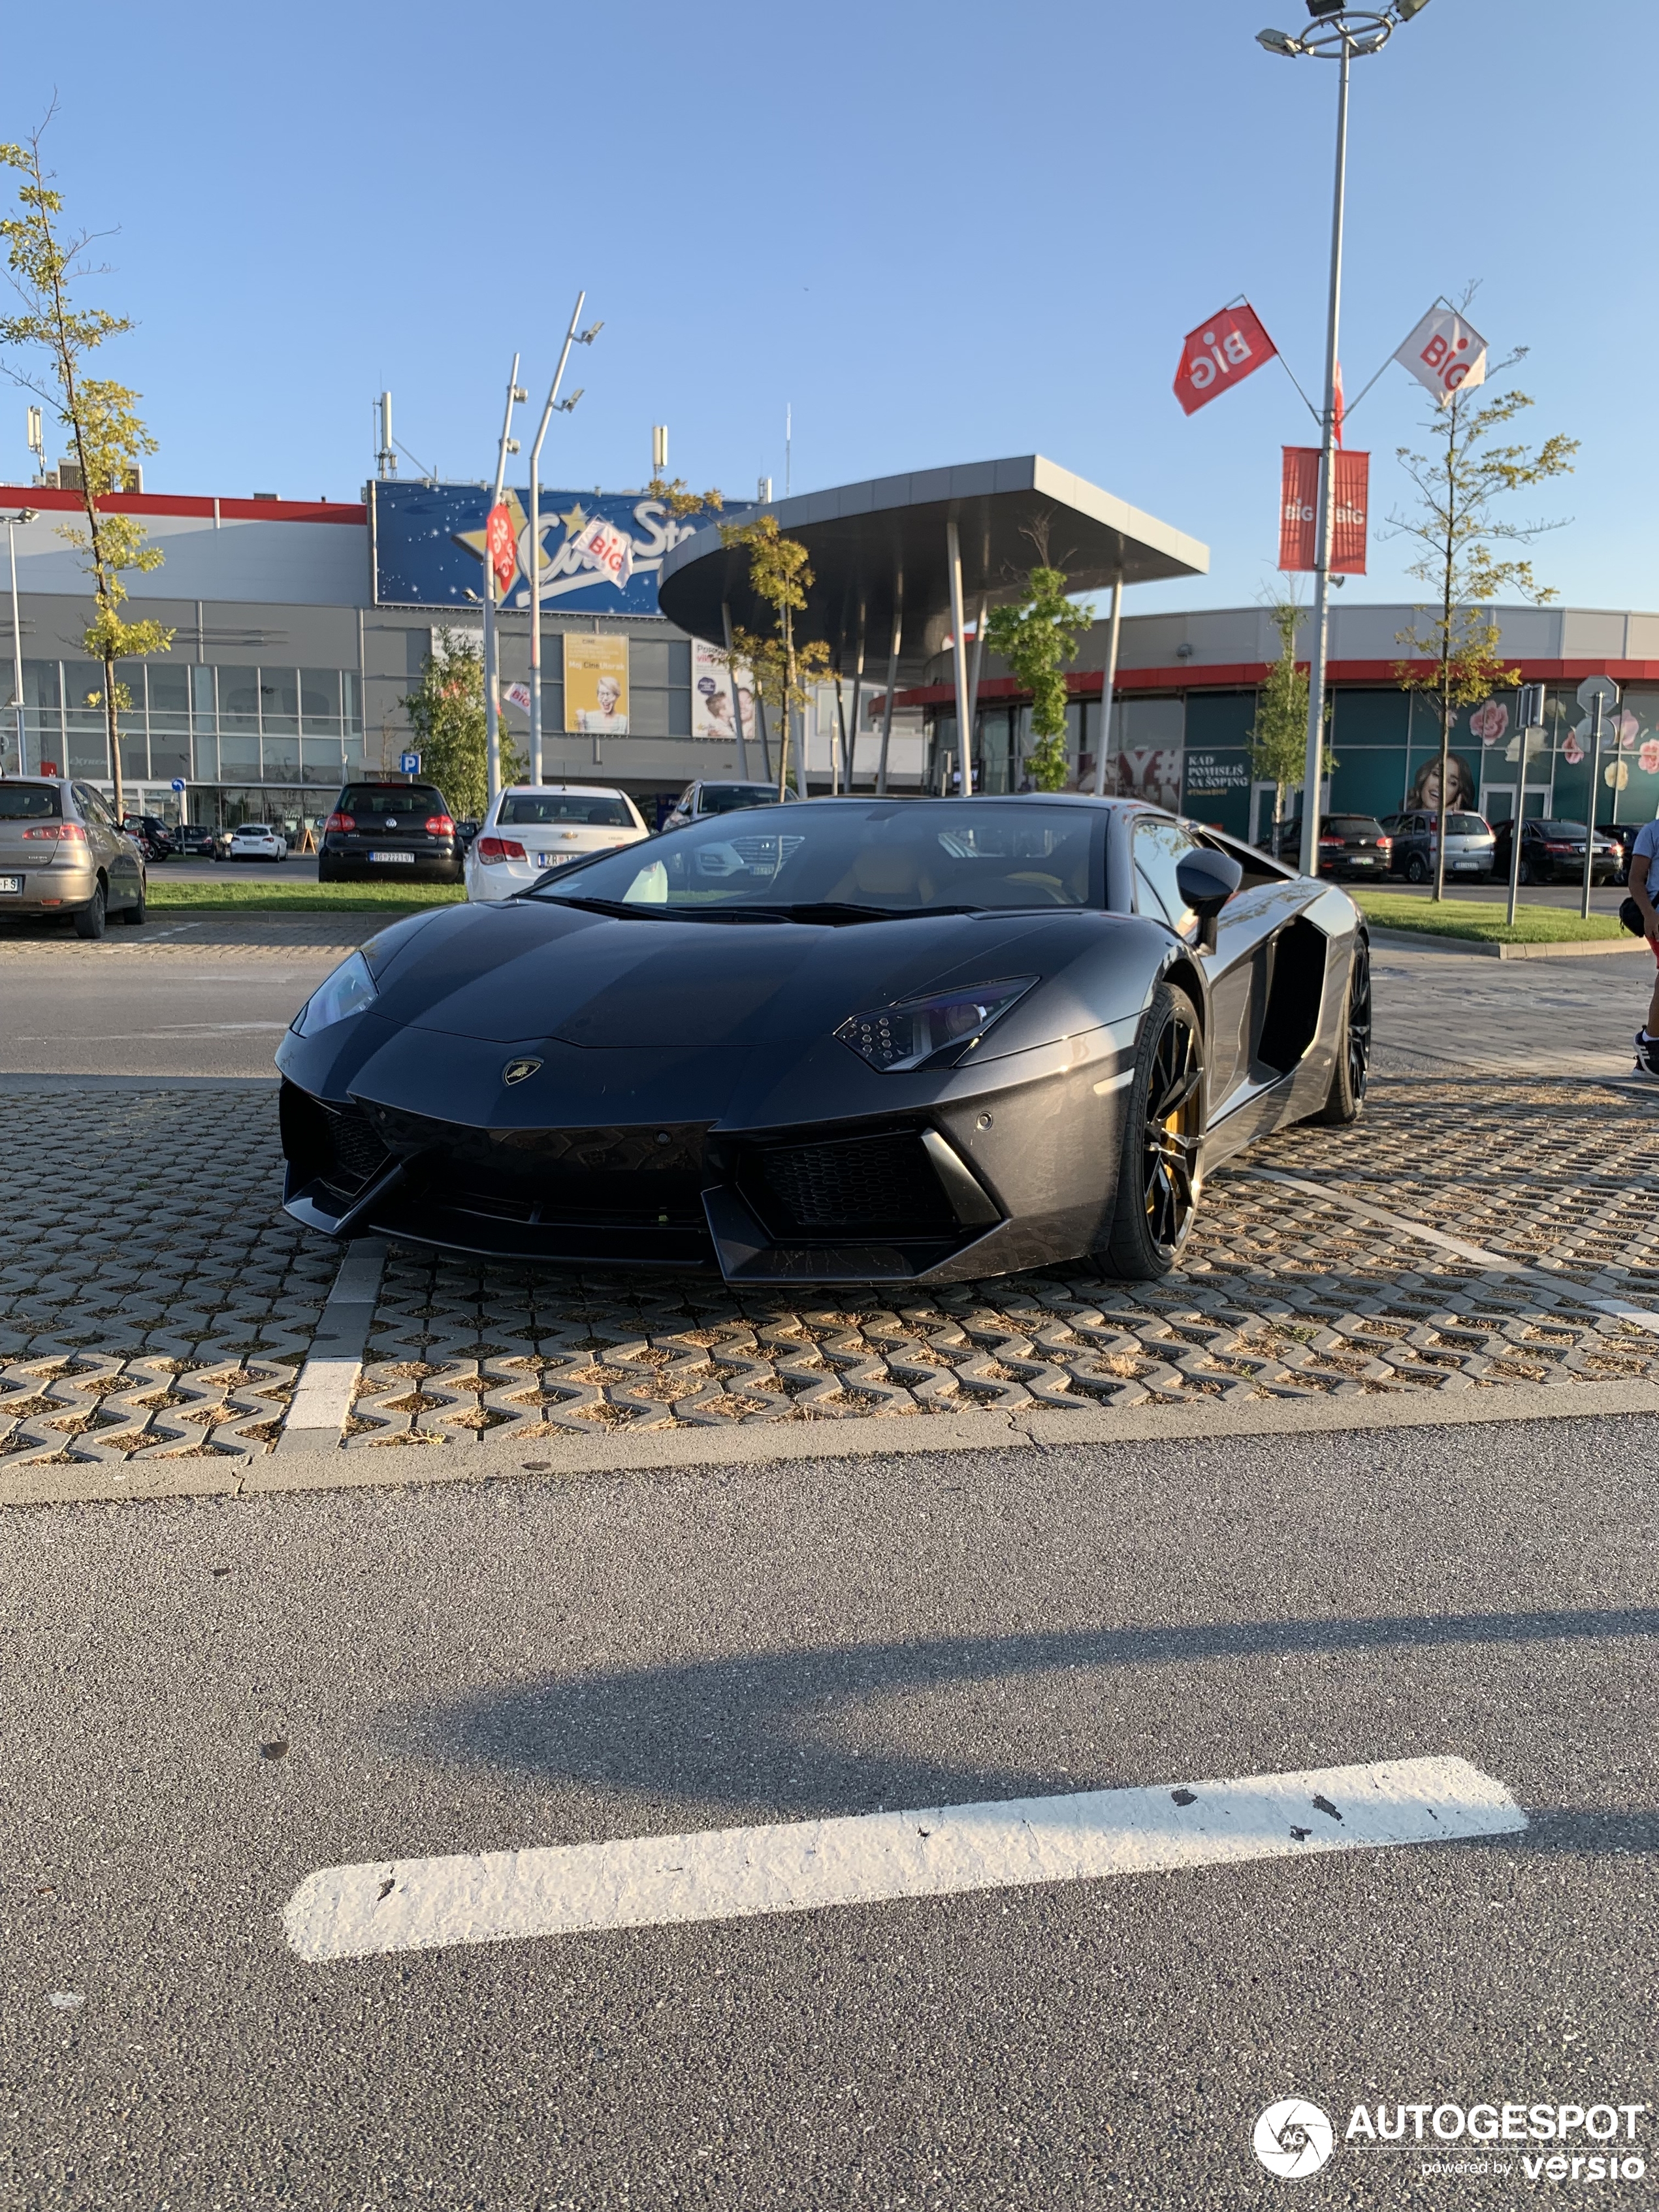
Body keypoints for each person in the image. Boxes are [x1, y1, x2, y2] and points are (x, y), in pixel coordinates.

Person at [1628, 815, 1659, 1076]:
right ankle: (1649, 1043)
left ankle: (1650, 1048)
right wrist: (1649, 914)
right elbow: (1636, 880)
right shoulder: (1652, 832)